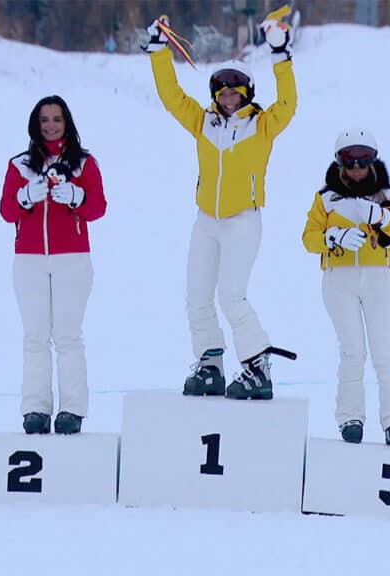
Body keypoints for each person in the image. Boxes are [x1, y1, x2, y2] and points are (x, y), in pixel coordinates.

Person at [141, 17, 298, 400]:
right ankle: (210, 363)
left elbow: (288, 103)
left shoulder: (262, 125)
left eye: (235, 91)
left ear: (246, 93)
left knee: (232, 295)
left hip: (243, 219)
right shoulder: (203, 123)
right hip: (206, 221)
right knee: (197, 295)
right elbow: (172, 97)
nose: (228, 97)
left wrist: (280, 54)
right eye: (222, 91)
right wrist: (160, 51)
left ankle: (257, 365)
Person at [301, 129, 390, 447]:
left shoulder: (389, 194)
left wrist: (382, 216)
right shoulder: (326, 198)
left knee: (384, 350)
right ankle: (350, 416)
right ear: (340, 162)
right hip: (339, 280)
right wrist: (331, 237)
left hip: (377, 276)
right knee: (352, 350)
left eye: (363, 161)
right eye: (350, 161)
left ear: (372, 161)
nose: (356, 168)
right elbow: (308, 237)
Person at [0, 95, 107, 435]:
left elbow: (98, 208)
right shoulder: (19, 165)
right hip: (29, 259)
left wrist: (76, 197)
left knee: (67, 336)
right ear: (35, 124)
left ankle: (72, 409)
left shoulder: (84, 164)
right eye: (44, 119)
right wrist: (25, 197)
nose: (50, 125)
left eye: (56, 119)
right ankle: (35, 408)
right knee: (34, 336)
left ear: (67, 122)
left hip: (72, 259)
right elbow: (6, 212)